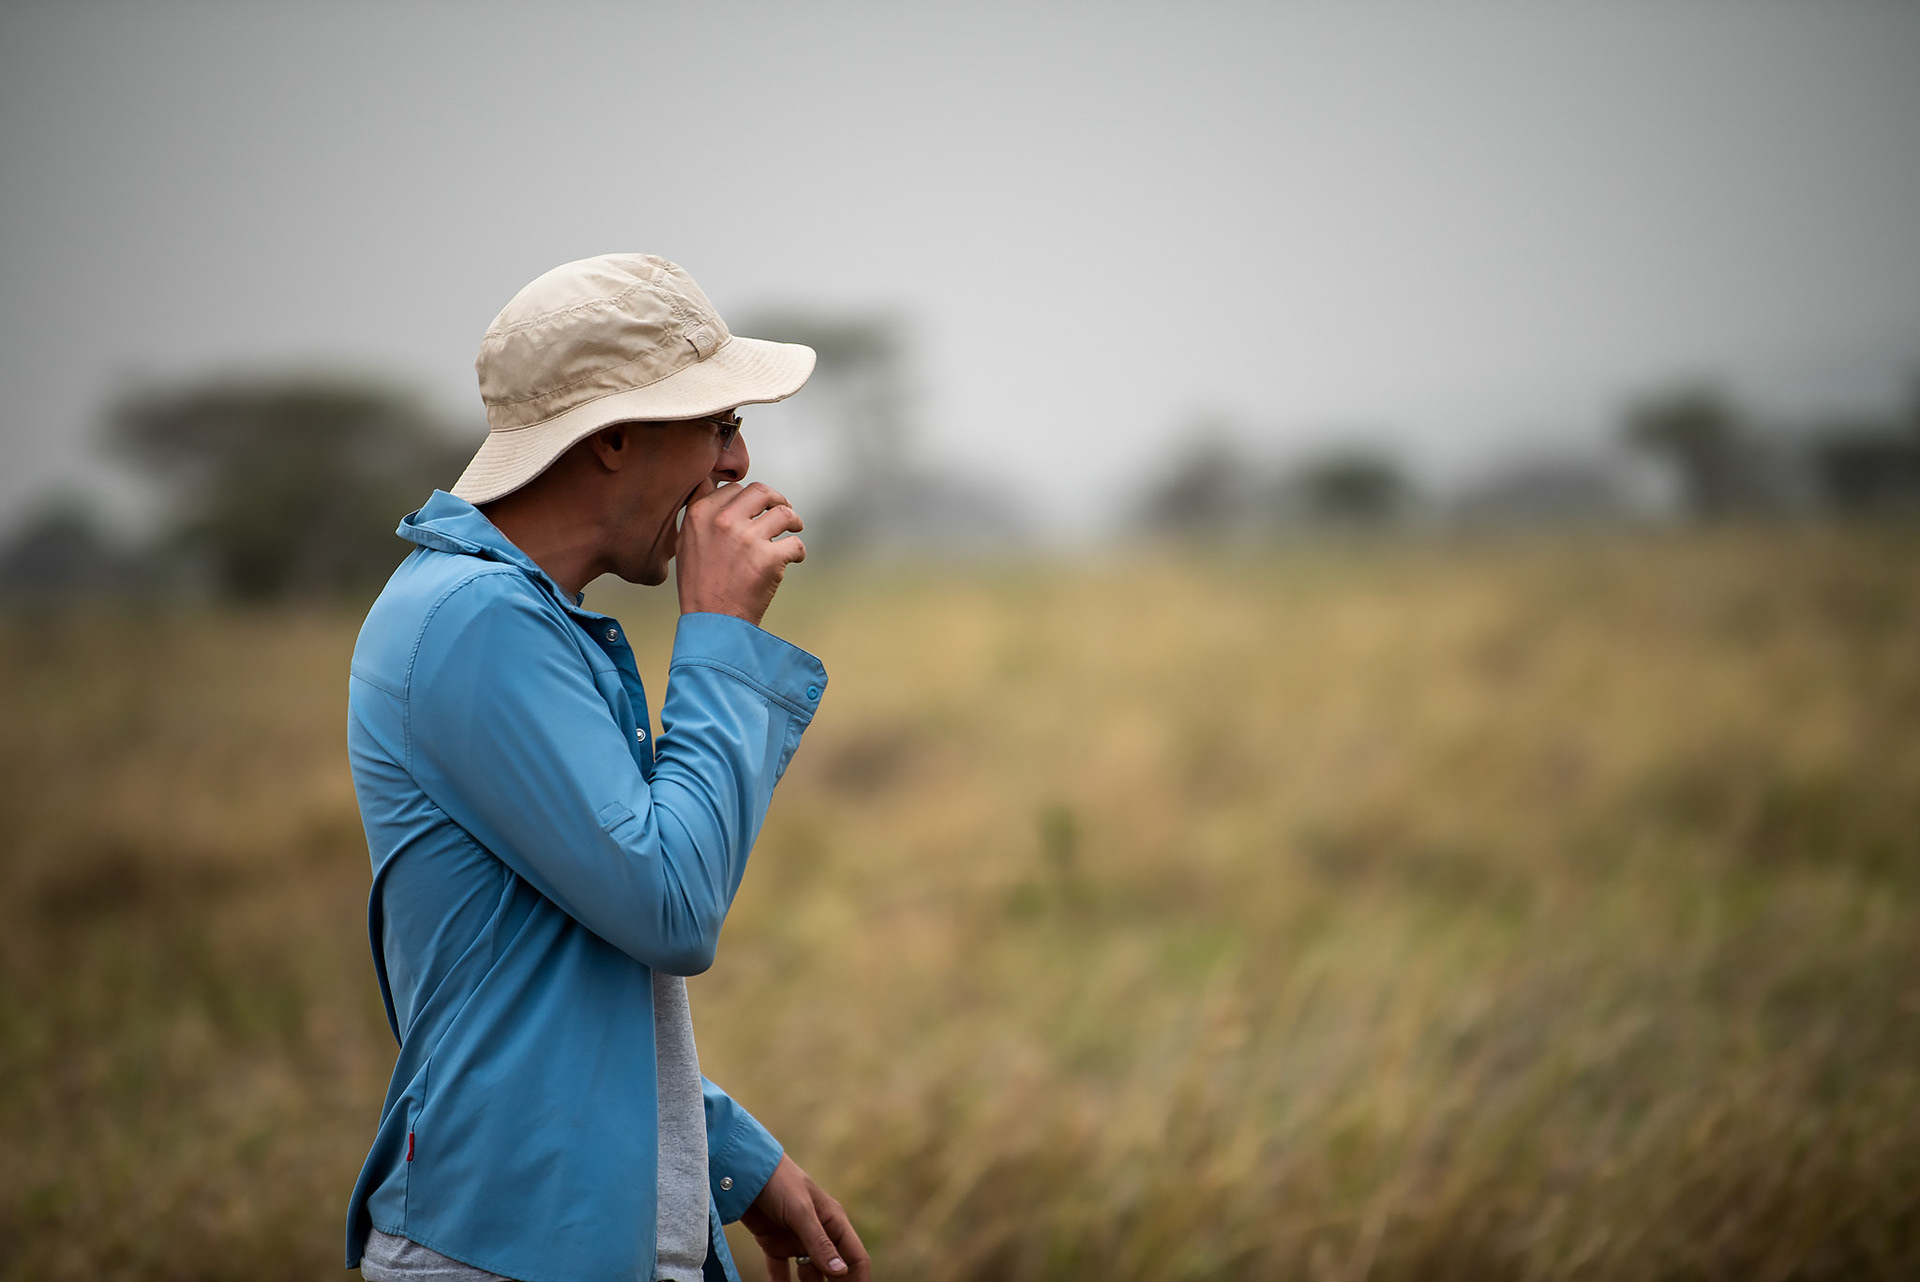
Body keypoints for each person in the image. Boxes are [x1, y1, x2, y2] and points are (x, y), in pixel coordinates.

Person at [343, 253, 868, 1282]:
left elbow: (540, 983)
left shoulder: (515, 615)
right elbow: (671, 905)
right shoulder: (474, 621)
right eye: (718, 423)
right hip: (506, 1251)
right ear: (615, 438)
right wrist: (720, 635)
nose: (739, 459)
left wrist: (730, 1154)